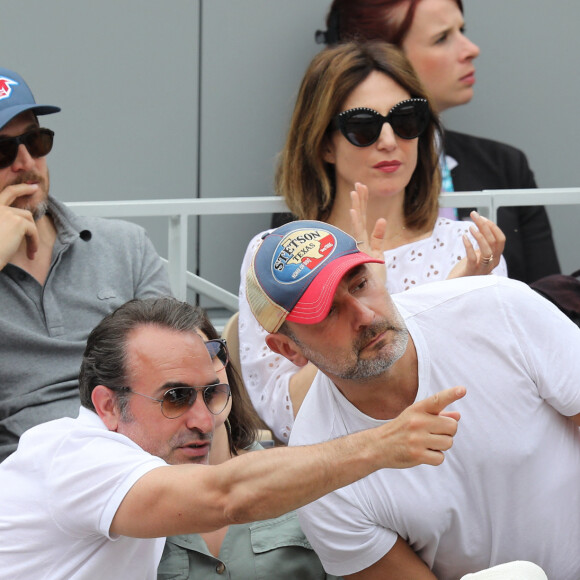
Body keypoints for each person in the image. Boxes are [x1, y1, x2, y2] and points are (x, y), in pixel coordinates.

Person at [0, 296, 464, 580]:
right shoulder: (70, 454)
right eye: (176, 397)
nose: (203, 419)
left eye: (214, 393)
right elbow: (228, 495)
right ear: (106, 406)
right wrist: (383, 443)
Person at [244, 218, 580, 580]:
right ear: (287, 349)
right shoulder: (322, 474)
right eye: (328, 311)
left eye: (360, 284)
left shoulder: (499, 307)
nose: (365, 315)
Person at [238, 41, 506, 442]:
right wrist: (407, 309)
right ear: (324, 142)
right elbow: (283, 414)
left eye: (407, 120)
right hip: (342, 475)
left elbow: (492, 389)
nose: (388, 140)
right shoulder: (273, 257)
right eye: (363, 126)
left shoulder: (467, 246)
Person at [313, 0, 561, 284]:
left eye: (406, 122)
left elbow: (550, 299)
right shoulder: (308, 206)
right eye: (441, 38)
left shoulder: (505, 166)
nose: (471, 49)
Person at [0, 66, 171, 461]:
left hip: (137, 455)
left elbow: (181, 361)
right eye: (2, 150)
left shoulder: (124, 244)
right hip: (28, 476)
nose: (25, 162)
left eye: (35, 141)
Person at [157, 307, 341, 579]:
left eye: (207, 353)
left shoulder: (303, 482)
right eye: (175, 395)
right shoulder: (116, 499)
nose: (201, 418)